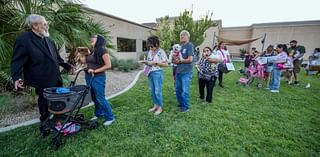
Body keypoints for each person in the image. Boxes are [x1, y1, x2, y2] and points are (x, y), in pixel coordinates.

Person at [11, 14, 73, 137]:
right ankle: (44, 123)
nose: (47, 26)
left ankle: (58, 118)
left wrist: (67, 66)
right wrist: (17, 77)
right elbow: (17, 60)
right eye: (44, 24)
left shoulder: (48, 40)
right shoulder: (23, 40)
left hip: (55, 77)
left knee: (58, 99)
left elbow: (57, 58)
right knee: (44, 102)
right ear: (35, 25)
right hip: (41, 79)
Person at [86, 35, 115, 126]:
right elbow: (89, 62)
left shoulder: (103, 50)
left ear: (99, 40)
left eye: (94, 37)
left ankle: (110, 117)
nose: (91, 37)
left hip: (98, 77)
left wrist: (95, 71)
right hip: (89, 77)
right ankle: (99, 114)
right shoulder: (93, 51)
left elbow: (108, 65)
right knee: (94, 97)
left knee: (100, 98)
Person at [145, 36, 168, 115]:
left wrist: (156, 63)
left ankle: (160, 107)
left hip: (157, 73)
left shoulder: (161, 52)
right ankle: (155, 105)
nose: (150, 48)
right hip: (150, 72)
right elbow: (149, 61)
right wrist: (145, 62)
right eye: (149, 46)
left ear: (157, 44)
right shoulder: (150, 52)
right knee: (152, 91)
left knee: (157, 91)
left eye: (152, 46)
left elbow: (166, 64)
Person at [173, 30, 194, 112]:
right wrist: (174, 59)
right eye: (180, 35)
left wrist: (180, 61)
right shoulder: (179, 47)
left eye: (183, 35)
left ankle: (185, 107)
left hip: (186, 72)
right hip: (178, 71)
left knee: (185, 90)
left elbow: (190, 60)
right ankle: (181, 104)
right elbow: (176, 59)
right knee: (178, 89)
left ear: (188, 37)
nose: (181, 36)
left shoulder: (189, 45)